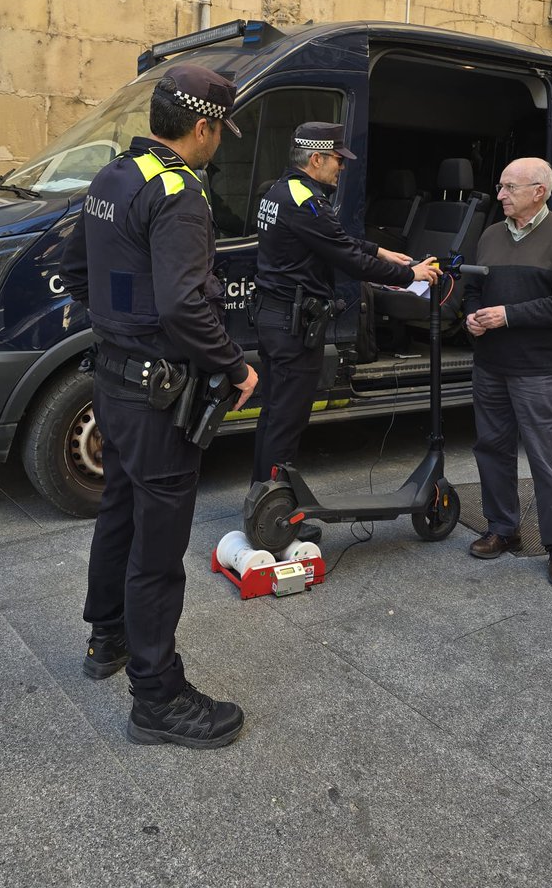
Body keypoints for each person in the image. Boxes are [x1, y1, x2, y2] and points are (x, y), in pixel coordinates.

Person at [60, 62, 258, 749]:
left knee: (119, 508)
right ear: (203, 127)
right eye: (220, 132)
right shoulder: (180, 192)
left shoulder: (114, 176)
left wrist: (120, 326)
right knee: (159, 544)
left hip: (112, 382)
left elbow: (76, 268)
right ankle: (157, 695)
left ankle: (106, 638)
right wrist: (234, 365)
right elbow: (182, 303)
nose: (219, 144)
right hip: (157, 393)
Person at [251, 121, 439, 488]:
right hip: (293, 329)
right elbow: (347, 258)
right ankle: (273, 509)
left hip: (274, 319)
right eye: (338, 159)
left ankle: (262, 495)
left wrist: (380, 249)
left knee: (274, 416)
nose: (342, 166)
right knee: (287, 421)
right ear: (317, 158)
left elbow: (331, 239)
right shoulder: (307, 202)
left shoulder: (279, 190)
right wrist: (410, 275)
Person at [463, 157, 552, 588]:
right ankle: (502, 528)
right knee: (491, 449)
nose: (500, 195)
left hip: (541, 369)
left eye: (508, 188)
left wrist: (508, 315)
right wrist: (471, 316)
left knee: (547, 461)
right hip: (492, 365)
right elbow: (473, 289)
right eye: (500, 186)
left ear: (539, 191)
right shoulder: (491, 235)